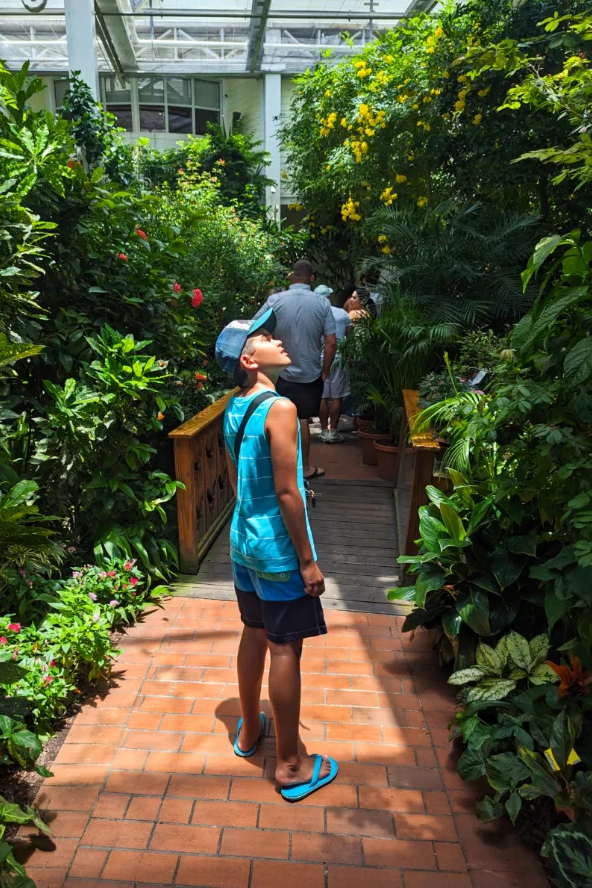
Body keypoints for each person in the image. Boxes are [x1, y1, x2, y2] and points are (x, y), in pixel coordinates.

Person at [214, 309, 338, 802]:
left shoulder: (235, 405)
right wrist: (307, 561)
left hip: (244, 544)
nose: (278, 339)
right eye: (266, 337)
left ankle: (248, 732)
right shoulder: (280, 408)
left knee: (255, 632)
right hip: (278, 550)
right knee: (286, 647)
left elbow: (235, 480)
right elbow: (289, 493)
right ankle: (290, 764)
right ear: (249, 359)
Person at [255, 260, 336, 480]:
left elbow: (254, 327)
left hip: (279, 372)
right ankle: (305, 468)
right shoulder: (322, 303)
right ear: (312, 279)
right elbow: (330, 341)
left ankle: (277, 469)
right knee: (301, 420)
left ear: (292, 277)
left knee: (275, 416)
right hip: (311, 373)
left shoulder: (275, 300)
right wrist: (325, 370)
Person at [314, 285, 351, 443]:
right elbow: (350, 336)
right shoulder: (342, 313)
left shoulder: (314, 314)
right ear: (329, 297)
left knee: (322, 396)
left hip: (318, 357)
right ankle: (333, 432)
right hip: (339, 356)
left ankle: (323, 431)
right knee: (336, 396)